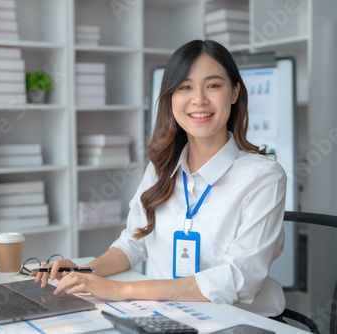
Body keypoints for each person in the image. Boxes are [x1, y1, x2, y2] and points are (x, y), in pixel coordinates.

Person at [33, 39, 287, 318]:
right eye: (185, 87)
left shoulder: (263, 177)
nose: (199, 99)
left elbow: (240, 279)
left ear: (235, 92)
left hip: (240, 321)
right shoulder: (162, 168)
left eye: (213, 85)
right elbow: (133, 243)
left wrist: (121, 290)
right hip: (173, 315)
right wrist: (85, 272)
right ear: (171, 98)